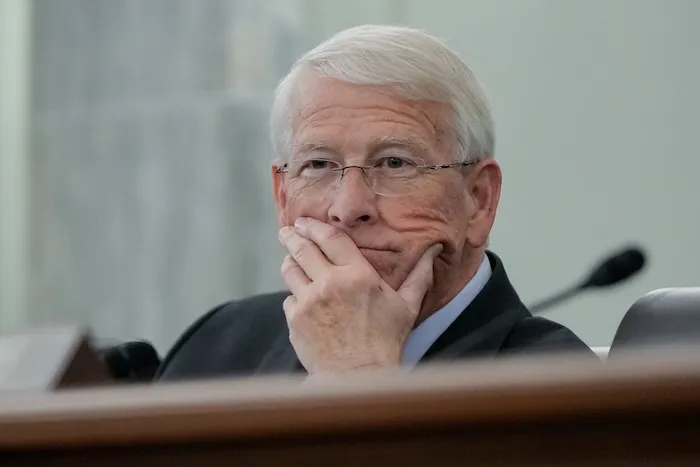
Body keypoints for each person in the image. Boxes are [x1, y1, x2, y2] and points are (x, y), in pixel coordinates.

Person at [156, 25, 594, 381]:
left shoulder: (562, 389)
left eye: (395, 163)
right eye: (319, 164)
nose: (348, 208)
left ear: (478, 200)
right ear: (283, 197)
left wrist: (356, 378)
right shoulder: (218, 348)